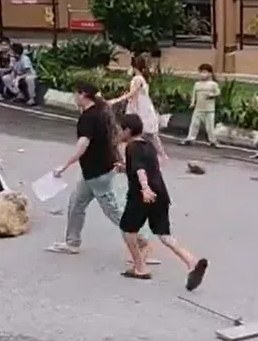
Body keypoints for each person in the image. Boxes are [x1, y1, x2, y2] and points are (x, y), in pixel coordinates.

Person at [46, 81, 157, 267]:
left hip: (98, 173)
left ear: (83, 95)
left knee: (113, 211)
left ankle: (142, 242)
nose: (75, 98)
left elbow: (83, 144)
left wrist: (64, 166)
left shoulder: (89, 118)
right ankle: (72, 242)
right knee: (76, 203)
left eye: (76, 94)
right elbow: (111, 141)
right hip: (94, 171)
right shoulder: (101, 113)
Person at [117, 113, 207, 288]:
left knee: (128, 231)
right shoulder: (148, 145)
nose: (119, 133)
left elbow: (141, 170)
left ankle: (140, 267)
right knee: (164, 235)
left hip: (142, 196)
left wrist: (144, 189)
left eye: (120, 130)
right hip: (161, 194)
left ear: (127, 130)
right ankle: (192, 262)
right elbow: (147, 166)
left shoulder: (132, 147)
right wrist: (124, 168)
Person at [110, 55, 167, 161]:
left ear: (133, 66)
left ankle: (125, 156)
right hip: (146, 107)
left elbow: (133, 94)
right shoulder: (143, 78)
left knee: (129, 132)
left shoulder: (136, 79)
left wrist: (117, 101)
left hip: (139, 107)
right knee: (150, 134)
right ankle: (163, 155)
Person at [183, 63, 221, 146]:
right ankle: (190, 138)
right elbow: (194, 95)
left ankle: (212, 141)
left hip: (209, 109)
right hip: (198, 108)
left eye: (205, 72)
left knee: (210, 126)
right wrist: (192, 103)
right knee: (194, 124)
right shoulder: (197, 84)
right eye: (201, 72)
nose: (202, 74)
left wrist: (212, 95)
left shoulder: (213, 84)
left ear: (210, 73)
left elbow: (218, 93)